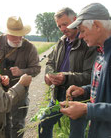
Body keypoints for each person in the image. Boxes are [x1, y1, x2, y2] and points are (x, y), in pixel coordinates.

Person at [38, 7, 97, 138]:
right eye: (59, 26)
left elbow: (90, 76)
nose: (63, 29)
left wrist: (66, 78)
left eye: (65, 24)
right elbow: (50, 62)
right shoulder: (60, 42)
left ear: (75, 20)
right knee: (43, 123)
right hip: (58, 95)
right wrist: (48, 74)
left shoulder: (88, 42)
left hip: (79, 98)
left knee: (76, 134)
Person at [60, 3, 111, 138]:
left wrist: (87, 109)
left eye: (82, 31)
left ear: (97, 25)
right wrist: (85, 90)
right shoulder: (101, 51)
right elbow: (104, 86)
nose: (80, 36)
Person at [0, 16, 41, 138]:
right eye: (14, 35)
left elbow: (37, 69)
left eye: (20, 35)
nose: (18, 39)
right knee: (0, 124)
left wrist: (22, 71)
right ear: (6, 34)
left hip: (20, 92)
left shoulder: (29, 47)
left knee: (17, 124)